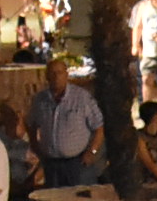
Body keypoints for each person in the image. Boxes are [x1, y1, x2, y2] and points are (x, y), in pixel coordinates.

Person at [23, 58, 101, 188]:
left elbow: (98, 127)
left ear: (66, 75)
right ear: (47, 76)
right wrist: (36, 147)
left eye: (59, 73)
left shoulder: (81, 98)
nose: (56, 77)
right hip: (52, 164)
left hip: (77, 163)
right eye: (52, 73)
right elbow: (31, 124)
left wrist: (92, 152)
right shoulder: (40, 100)